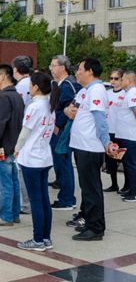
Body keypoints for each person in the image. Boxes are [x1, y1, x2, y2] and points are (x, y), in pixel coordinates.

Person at [66, 58, 112, 241]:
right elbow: (70, 110)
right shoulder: (85, 91)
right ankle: (90, 222)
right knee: (86, 189)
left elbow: (100, 120)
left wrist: (106, 142)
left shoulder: (97, 90)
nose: (76, 72)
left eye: (79, 69)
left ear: (90, 71)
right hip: (81, 145)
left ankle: (96, 228)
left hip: (90, 147)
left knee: (92, 189)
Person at [14, 72, 59, 252]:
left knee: (36, 201)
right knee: (44, 200)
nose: (28, 88)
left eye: (30, 85)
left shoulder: (35, 107)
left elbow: (24, 133)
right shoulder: (49, 105)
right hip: (44, 158)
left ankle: (38, 240)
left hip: (31, 159)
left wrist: (16, 149)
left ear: (36, 87)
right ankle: (46, 238)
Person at [0, 64, 24, 226]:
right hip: (13, 146)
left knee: (3, 183)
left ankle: (6, 216)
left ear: (2, 76)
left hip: (1, 147)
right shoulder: (16, 96)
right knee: (13, 181)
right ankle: (14, 214)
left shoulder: (3, 97)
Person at [48, 55, 80, 211]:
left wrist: (57, 125)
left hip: (62, 130)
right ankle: (64, 196)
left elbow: (69, 108)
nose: (51, 69)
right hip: (57, 129)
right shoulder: (59, 84)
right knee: (60, 163)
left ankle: (67, 199)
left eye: (53, 65)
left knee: (63, 163)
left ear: (62, 67)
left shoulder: (68, 85)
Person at [12, 55, 34, 215]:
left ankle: (26, 204)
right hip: (34, 131)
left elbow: (17, 111)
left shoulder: (20, 86)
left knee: (20, 168)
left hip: (24, 131)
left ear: (15, 70)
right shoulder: (33, 82)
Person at [114, 70, 136, 202]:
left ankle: (134, 193)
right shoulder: (128, 93)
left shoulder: (132, 93)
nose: (121, 82)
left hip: (130, 136)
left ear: (129, 80)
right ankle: (131, 189)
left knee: (131, 165)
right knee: (128, 165)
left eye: (122, 79)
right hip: (125, 135)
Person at [105, 69, 127, 192]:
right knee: (111, 160)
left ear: (122, 79)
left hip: (121, 132)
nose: (113, 81)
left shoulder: (126, 93)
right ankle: (114, 184)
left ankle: (127, 186)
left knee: (123, 160)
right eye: (111, 78)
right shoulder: (107, 93)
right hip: (109, 131)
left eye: (116, 78)